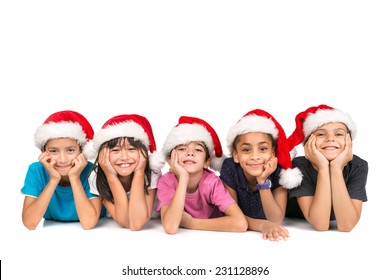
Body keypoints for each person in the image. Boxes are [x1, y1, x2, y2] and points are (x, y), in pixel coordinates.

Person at [151, 116, 247, 234]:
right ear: (170, 160)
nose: (190, 153)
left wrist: (192, 223)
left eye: (198, 149)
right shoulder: (166, 182)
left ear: (207, 162)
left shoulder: (212, 183)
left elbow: (240, 223)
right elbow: (170, 227)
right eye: (182, 148)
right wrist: (183, 179)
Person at [220, 109, 302, 241]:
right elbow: (233, 215)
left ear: (273, 153)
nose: (255, 156)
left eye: (263, 149)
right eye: (246, 150)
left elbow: (276, 219)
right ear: (235, 154)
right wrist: (263, 225)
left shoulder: (280, 170)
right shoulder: (230, 168)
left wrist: (262, 181)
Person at [285, 104, 368, 232]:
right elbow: (320, 224)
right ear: (308, 143)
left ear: (349, 141)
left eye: (339, 134)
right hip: (294, 221)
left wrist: (335, 168)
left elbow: (347, 225)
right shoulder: (299, 165)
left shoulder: (358, 165)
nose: (330, 139)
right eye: (321, 134)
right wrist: (323, 168)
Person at [21, 110, 105, 230]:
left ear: (82, 151)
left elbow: (88, 223)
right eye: (53, 151)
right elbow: (30, 223)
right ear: (43, 152)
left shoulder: (93, 172)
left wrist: (74, 177)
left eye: (70, 150)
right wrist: (54, 179)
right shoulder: (36, 170)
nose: (62, 159)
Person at [85, 114, 161, 230]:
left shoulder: (152, 172)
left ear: (144, 153)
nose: (124, 157)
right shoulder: (97, 176)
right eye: (115, 150)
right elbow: (126, 222)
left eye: (131, 149)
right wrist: (111, 176)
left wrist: (139, 172)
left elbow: (136, 224)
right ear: (102, 154)